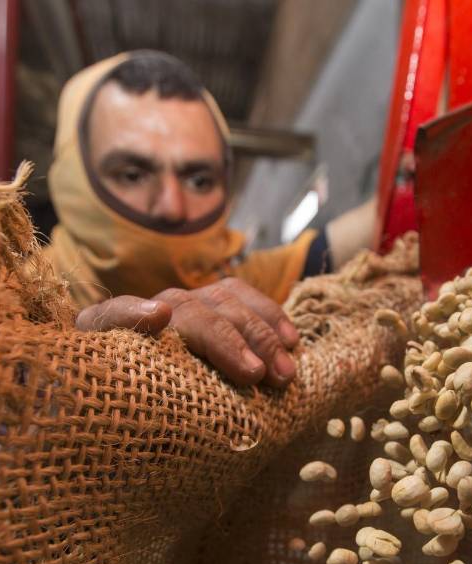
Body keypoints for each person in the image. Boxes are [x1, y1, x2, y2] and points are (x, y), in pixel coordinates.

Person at [48, 50, 377, 388]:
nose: (172, 207)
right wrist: (59, 362)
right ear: (73, 177)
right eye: (132, 175)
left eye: (199, 181)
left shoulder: (237, 283)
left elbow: (346, 241)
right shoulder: (10, 291)